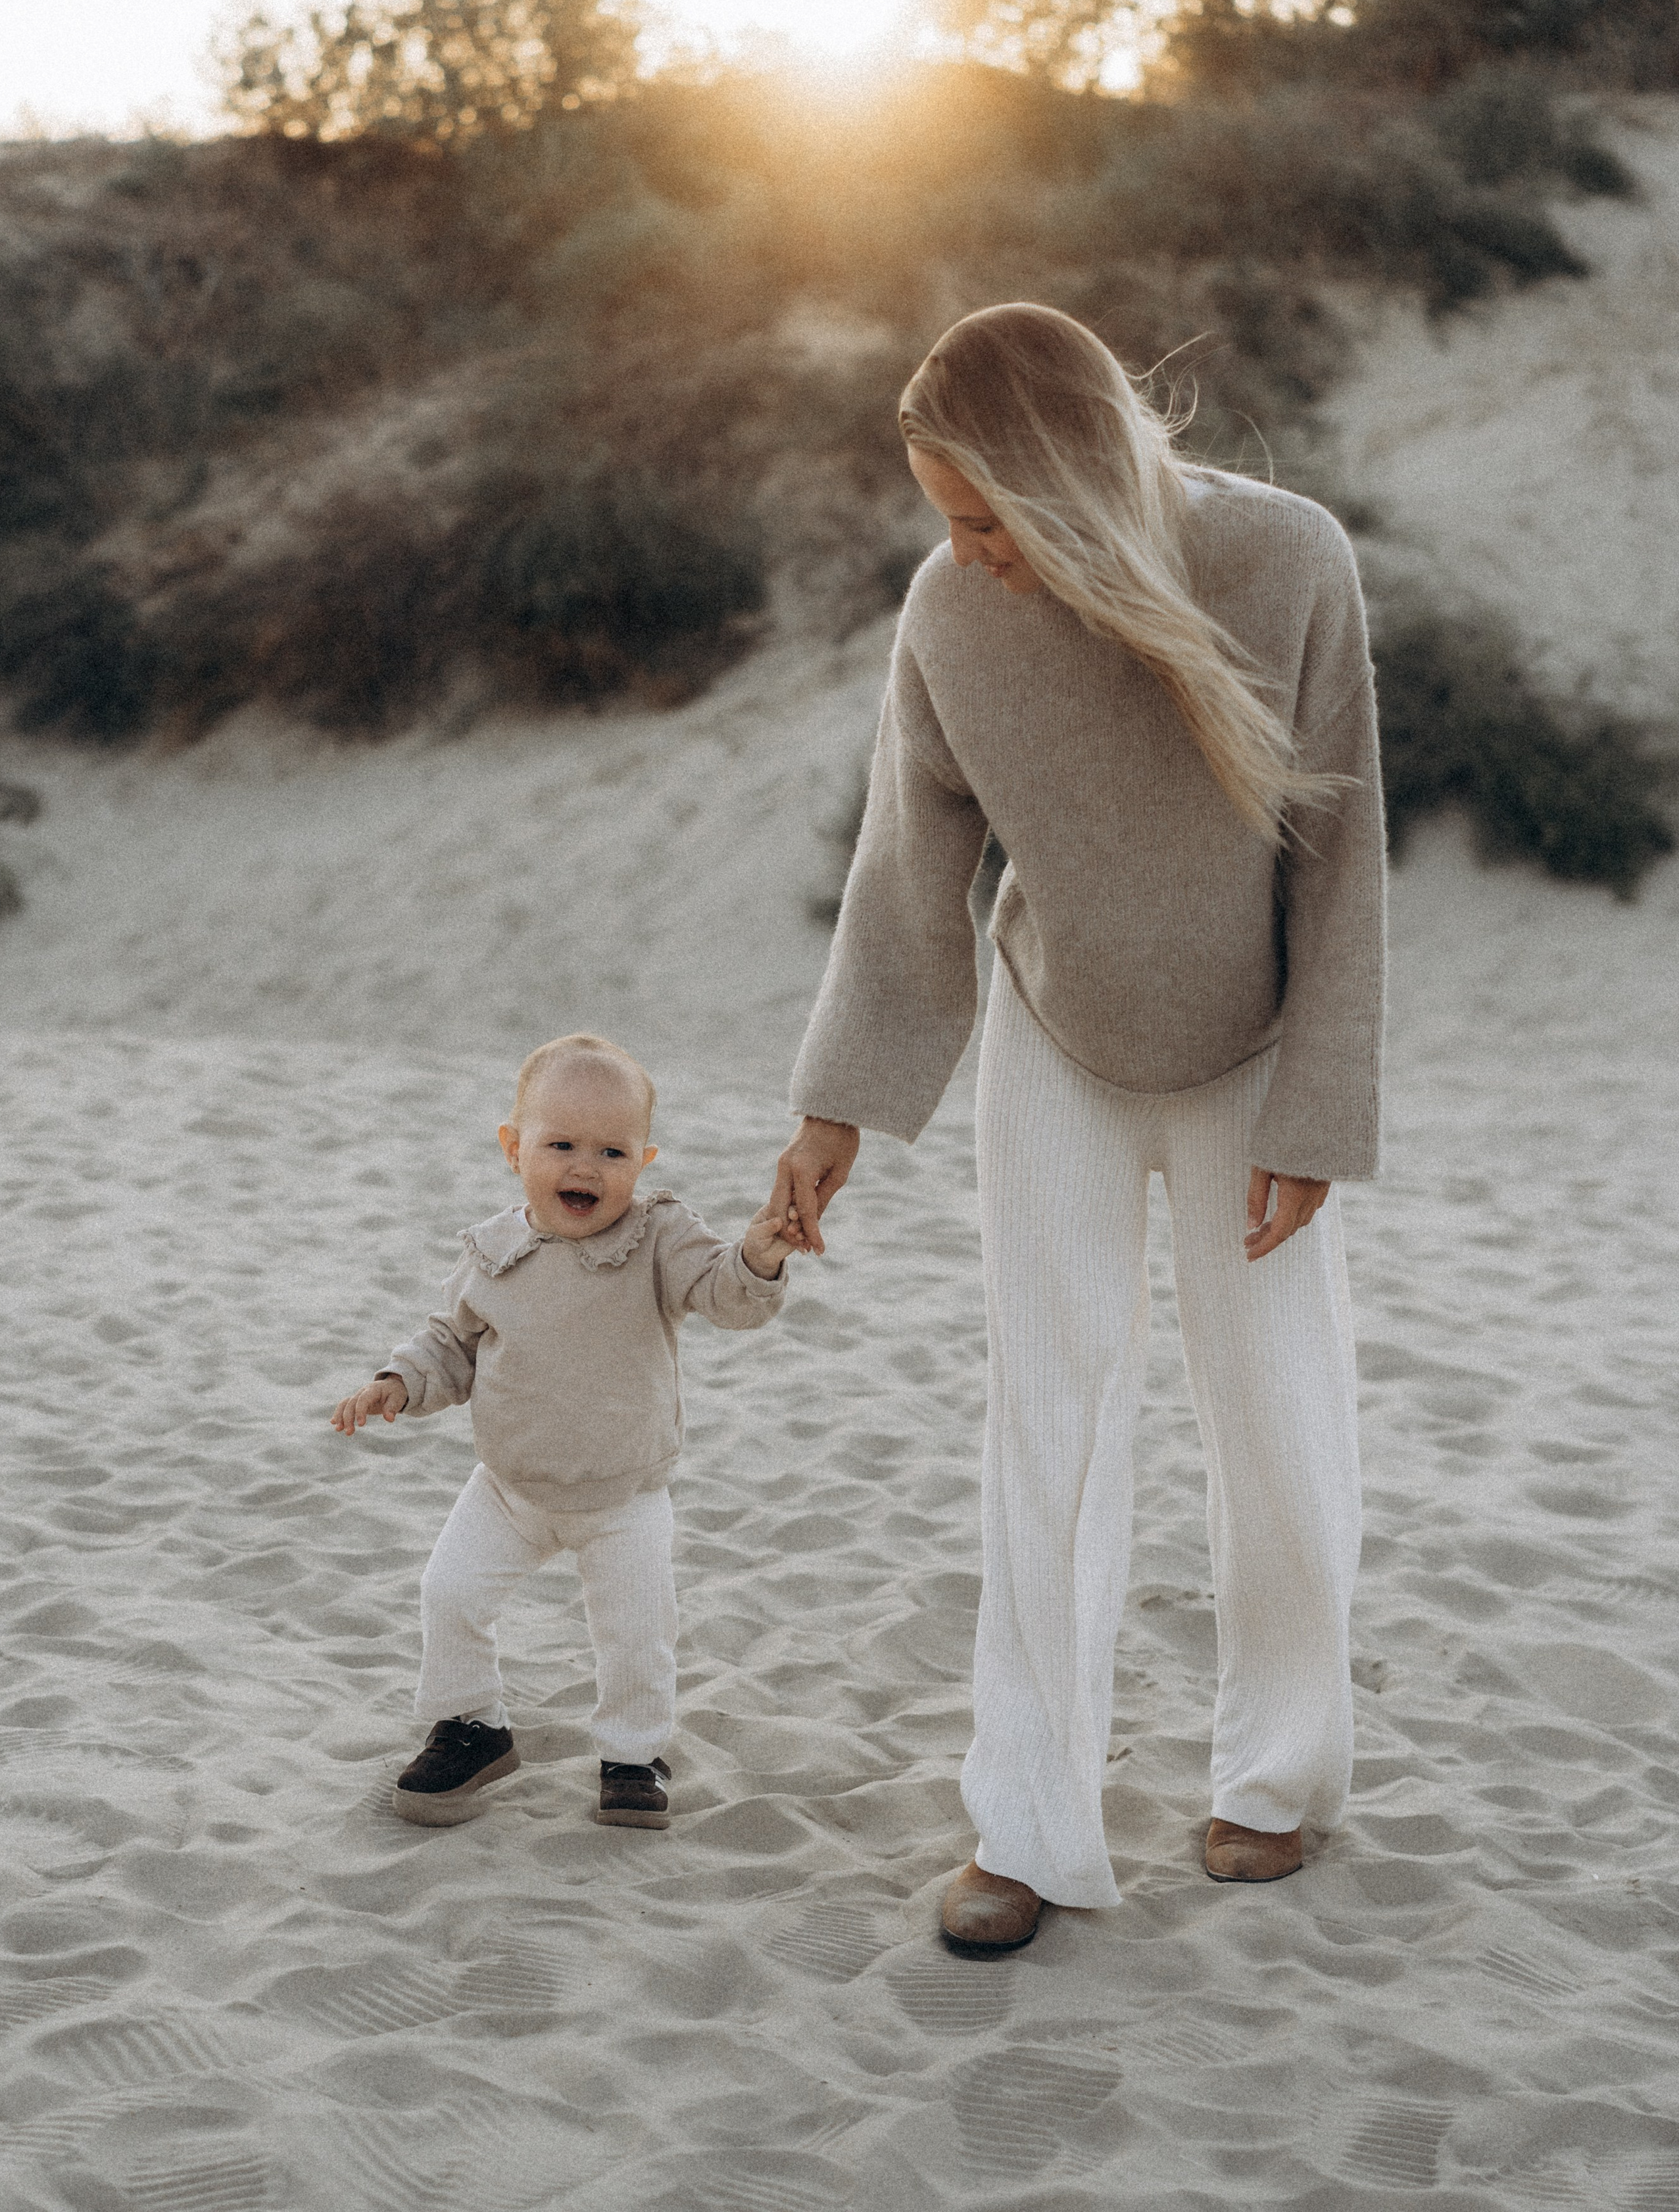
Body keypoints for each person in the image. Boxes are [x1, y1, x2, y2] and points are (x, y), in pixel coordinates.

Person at [771, 304, 1384, 1954]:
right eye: (940, 519)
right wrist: (836, 1107)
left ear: (1074, 480)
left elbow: (1338, 856)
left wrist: (1318, 1103)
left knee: (1275, 1423)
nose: (962, 553)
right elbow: (911, 868)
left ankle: (1273, 1775)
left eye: (984, 517)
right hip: (1054, 1037)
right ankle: (1027, 1822)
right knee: (1045, 1419)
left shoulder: (1283, 562)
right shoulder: (948, 617)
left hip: (1251, 1053)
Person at [333, 1032, 794, 1829]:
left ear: (644, 1162)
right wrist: (398, 1382)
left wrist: (755, 1259)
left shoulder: (657, 1238)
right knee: (450, 1592)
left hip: (624, 1494)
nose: (586, 1167)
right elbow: (453, 1343)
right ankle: (473, 1725)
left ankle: (632, 1754)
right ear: (515, 1149)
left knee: (636, 1633)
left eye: (613, 1151)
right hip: (510, 1488)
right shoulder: (494, 1250)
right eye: (561, 1145)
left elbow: (726, 1298)